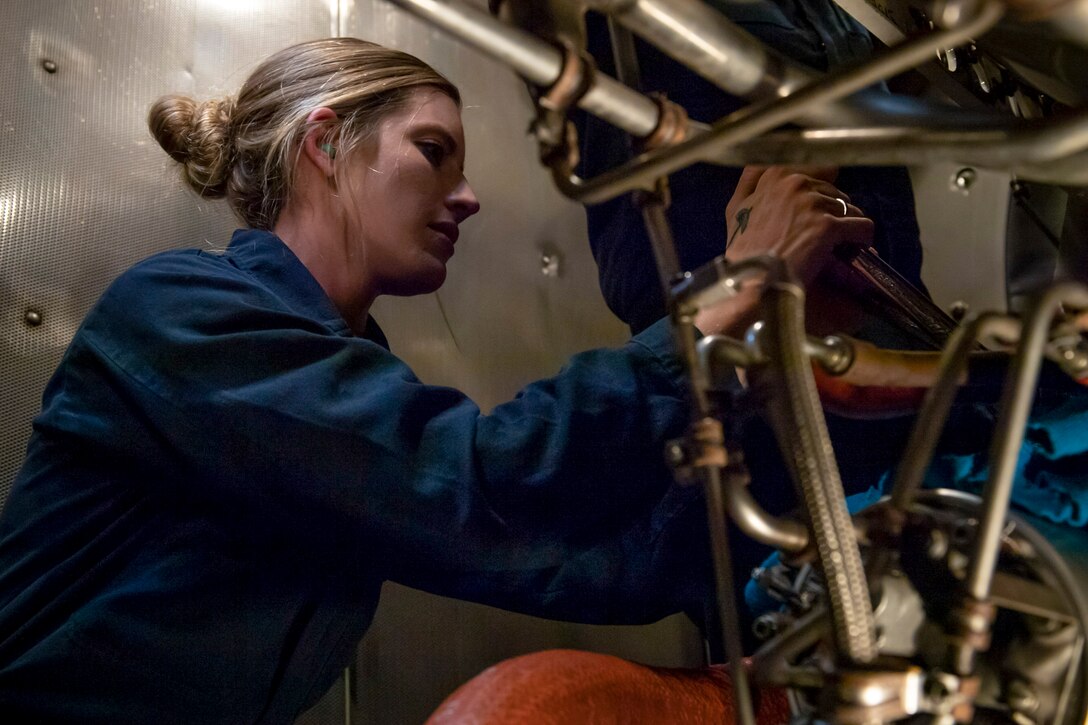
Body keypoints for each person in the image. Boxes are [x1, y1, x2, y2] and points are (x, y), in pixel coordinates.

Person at [0, 37, 871, 723]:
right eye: (432, 151)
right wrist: (729, 290)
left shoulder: (348, 381)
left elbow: (563, 558)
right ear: (324, 143)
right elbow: (482, 478)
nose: (468, 196)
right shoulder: (184, 314)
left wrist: (838, 550)